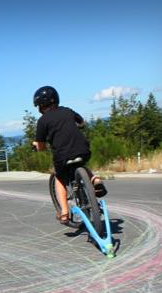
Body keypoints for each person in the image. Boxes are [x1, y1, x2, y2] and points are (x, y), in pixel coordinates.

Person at [31, 86, 107, 224]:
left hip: (62, 155)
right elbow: (82, 122)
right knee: (81, 163)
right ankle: (95, 179)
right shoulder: (67, 110)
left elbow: (41, 146)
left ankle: (65, 213)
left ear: (41, 106)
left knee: (60, 178)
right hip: (82, 148)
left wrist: (37, 146)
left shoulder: (42, 121)